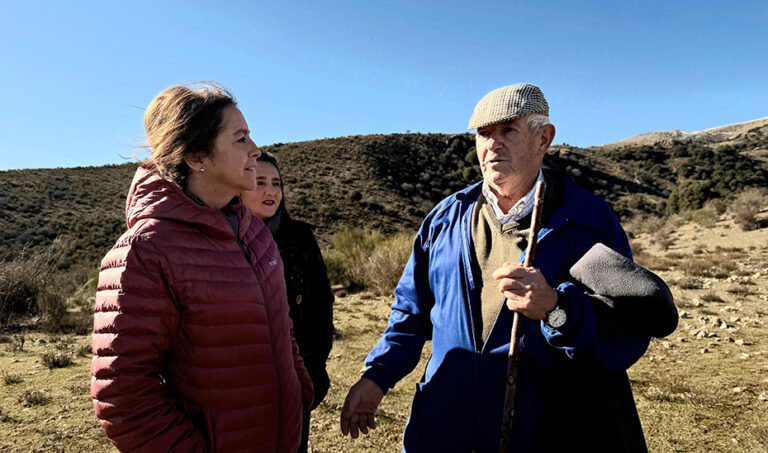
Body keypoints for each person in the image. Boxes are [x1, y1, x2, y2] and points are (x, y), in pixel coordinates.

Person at [340, 83, 661, 452]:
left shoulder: (588, 221)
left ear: (543, 138)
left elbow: (626, 330)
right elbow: (410, 313)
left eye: (508, 130)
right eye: (484, 133)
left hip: (546, 432)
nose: (493, 144)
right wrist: (377, 376)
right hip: (442, 426)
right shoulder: (445, 219)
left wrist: (557, 308)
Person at [91, 83, 313, 452]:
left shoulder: (255, 233)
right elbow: (124, 393)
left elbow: (280, 325)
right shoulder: (146, 249)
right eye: (241, 139)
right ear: (197, 157)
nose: (256, 150)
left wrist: (300, 390)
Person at [242, 151, 335, 453]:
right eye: (259, 182)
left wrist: (313, 368)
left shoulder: (300, 236)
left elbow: (322, 302)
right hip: (240, 383)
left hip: (295, 378)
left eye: (276, 183)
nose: (271, 191)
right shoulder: (221, 239)